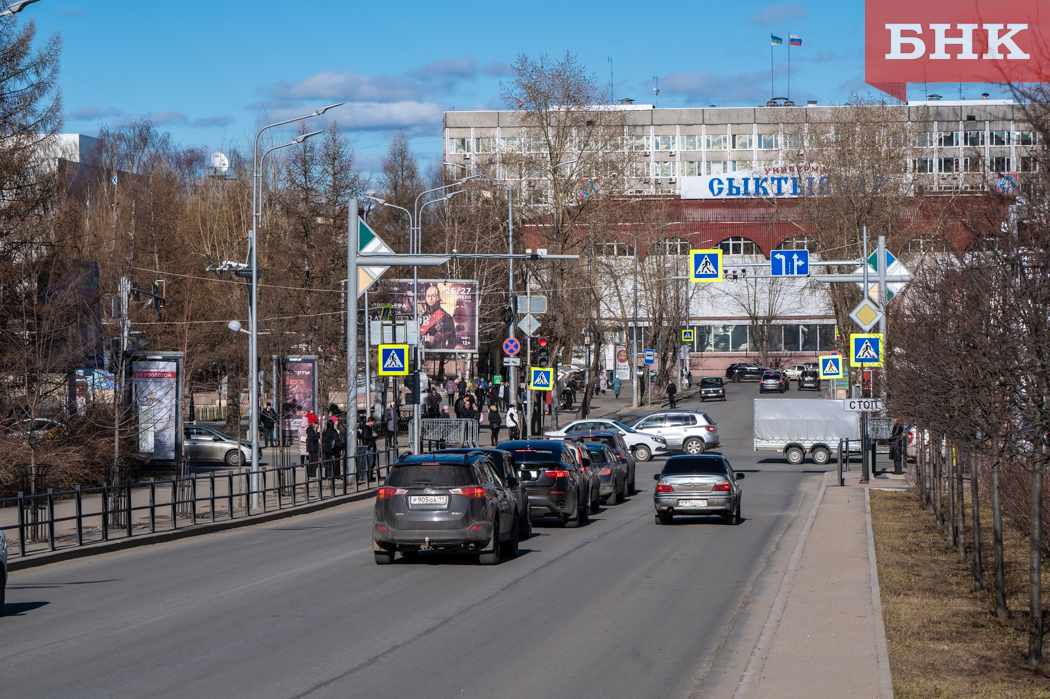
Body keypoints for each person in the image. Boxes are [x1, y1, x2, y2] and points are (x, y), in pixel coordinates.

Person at [419, 282, 457, 349]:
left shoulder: (446, 317)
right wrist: (425, 339)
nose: (430, 299)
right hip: (423, 354)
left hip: (440, 355)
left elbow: (452, 340)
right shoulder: (422, 316)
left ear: (438, 297)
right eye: (428, 296)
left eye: (433, 296)